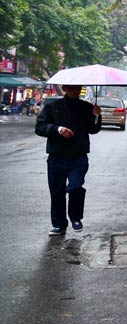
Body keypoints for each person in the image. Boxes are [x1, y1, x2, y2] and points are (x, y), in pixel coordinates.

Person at [34, 85, 103, 235]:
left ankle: (76, 217)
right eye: (72, 88)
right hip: (56, 156)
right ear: (65, 88)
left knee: (75, 187)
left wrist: (96, 116)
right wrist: (58, 129)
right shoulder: (52, 107)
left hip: (78, 157)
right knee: (57, 191)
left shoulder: (86, 107)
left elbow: (93, 129)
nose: (75, 91)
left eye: (78, 88)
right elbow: (40, 127)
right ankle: (59, 224)